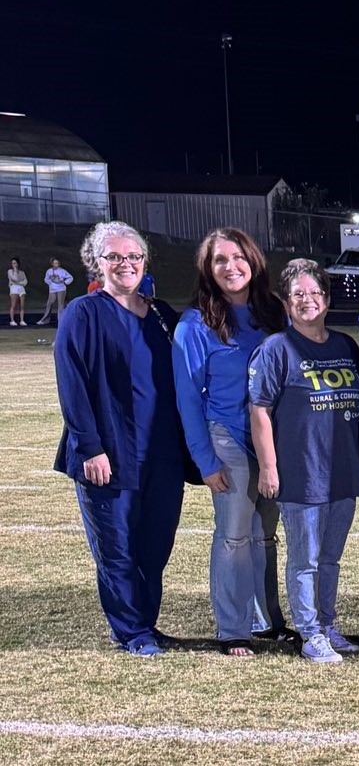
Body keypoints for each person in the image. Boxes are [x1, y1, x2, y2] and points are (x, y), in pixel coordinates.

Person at [54, 221, 186, 655]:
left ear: (145, 261)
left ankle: (145, 623)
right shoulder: (83, 313)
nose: (125, 263)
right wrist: (89, 447)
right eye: (114, 256)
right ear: (97, 263)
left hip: (162, 455)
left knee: (155, 546)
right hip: (109, 453)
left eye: (133, 256)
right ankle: (130, 631)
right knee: (117, 548)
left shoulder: (163, 315)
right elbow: (72, 385)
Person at [172, 228, 289, 656]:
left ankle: (266, 620)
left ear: (253, 261)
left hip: (273, 441)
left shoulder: (275, 313)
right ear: (208, 268)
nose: (230, 266)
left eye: (238, 257)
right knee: (235, 534)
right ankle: (233, 629)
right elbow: (187, 399)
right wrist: (205, 460)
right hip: (227, 438)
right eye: (219, 260)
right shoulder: (195, 324)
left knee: (265, 535)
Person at [249, 260, 359, 664]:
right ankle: (310, 633)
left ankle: (327, 623)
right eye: (298, 294)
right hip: (301, 473)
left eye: (314, 293)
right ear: (286, 302)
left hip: (342, 468)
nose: (308, 301)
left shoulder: (344, 346)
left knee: (331, 557)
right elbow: (260, 410)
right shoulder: (275, 349)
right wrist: (269, 466)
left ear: (328, 299)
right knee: (305, 558)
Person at [38, 258, 74, 325]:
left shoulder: (62, 271)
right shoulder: (49, 271)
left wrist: (65, 282)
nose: (56, 264)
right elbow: (46, 279)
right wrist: (50, 283)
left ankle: (61, 321)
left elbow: (70, 277)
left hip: (61, 289)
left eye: (57, 263)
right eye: (55, 263)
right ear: (52, 264)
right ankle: (45, 320)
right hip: (52, 289)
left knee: (60, 305)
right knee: (50, 303)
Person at [8, 256, 26, 326]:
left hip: (21, 289)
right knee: (13, 305)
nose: (14, 264)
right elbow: (14, 278)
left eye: (15, 263)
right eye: (12, 263)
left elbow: (25, 282)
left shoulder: (22, 272)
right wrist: (15, 271)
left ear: (18, 263)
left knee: (22, 306)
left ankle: (22, 320)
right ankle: (12, 321)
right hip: (14, 289)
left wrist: (18, 282)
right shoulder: (10, 271)